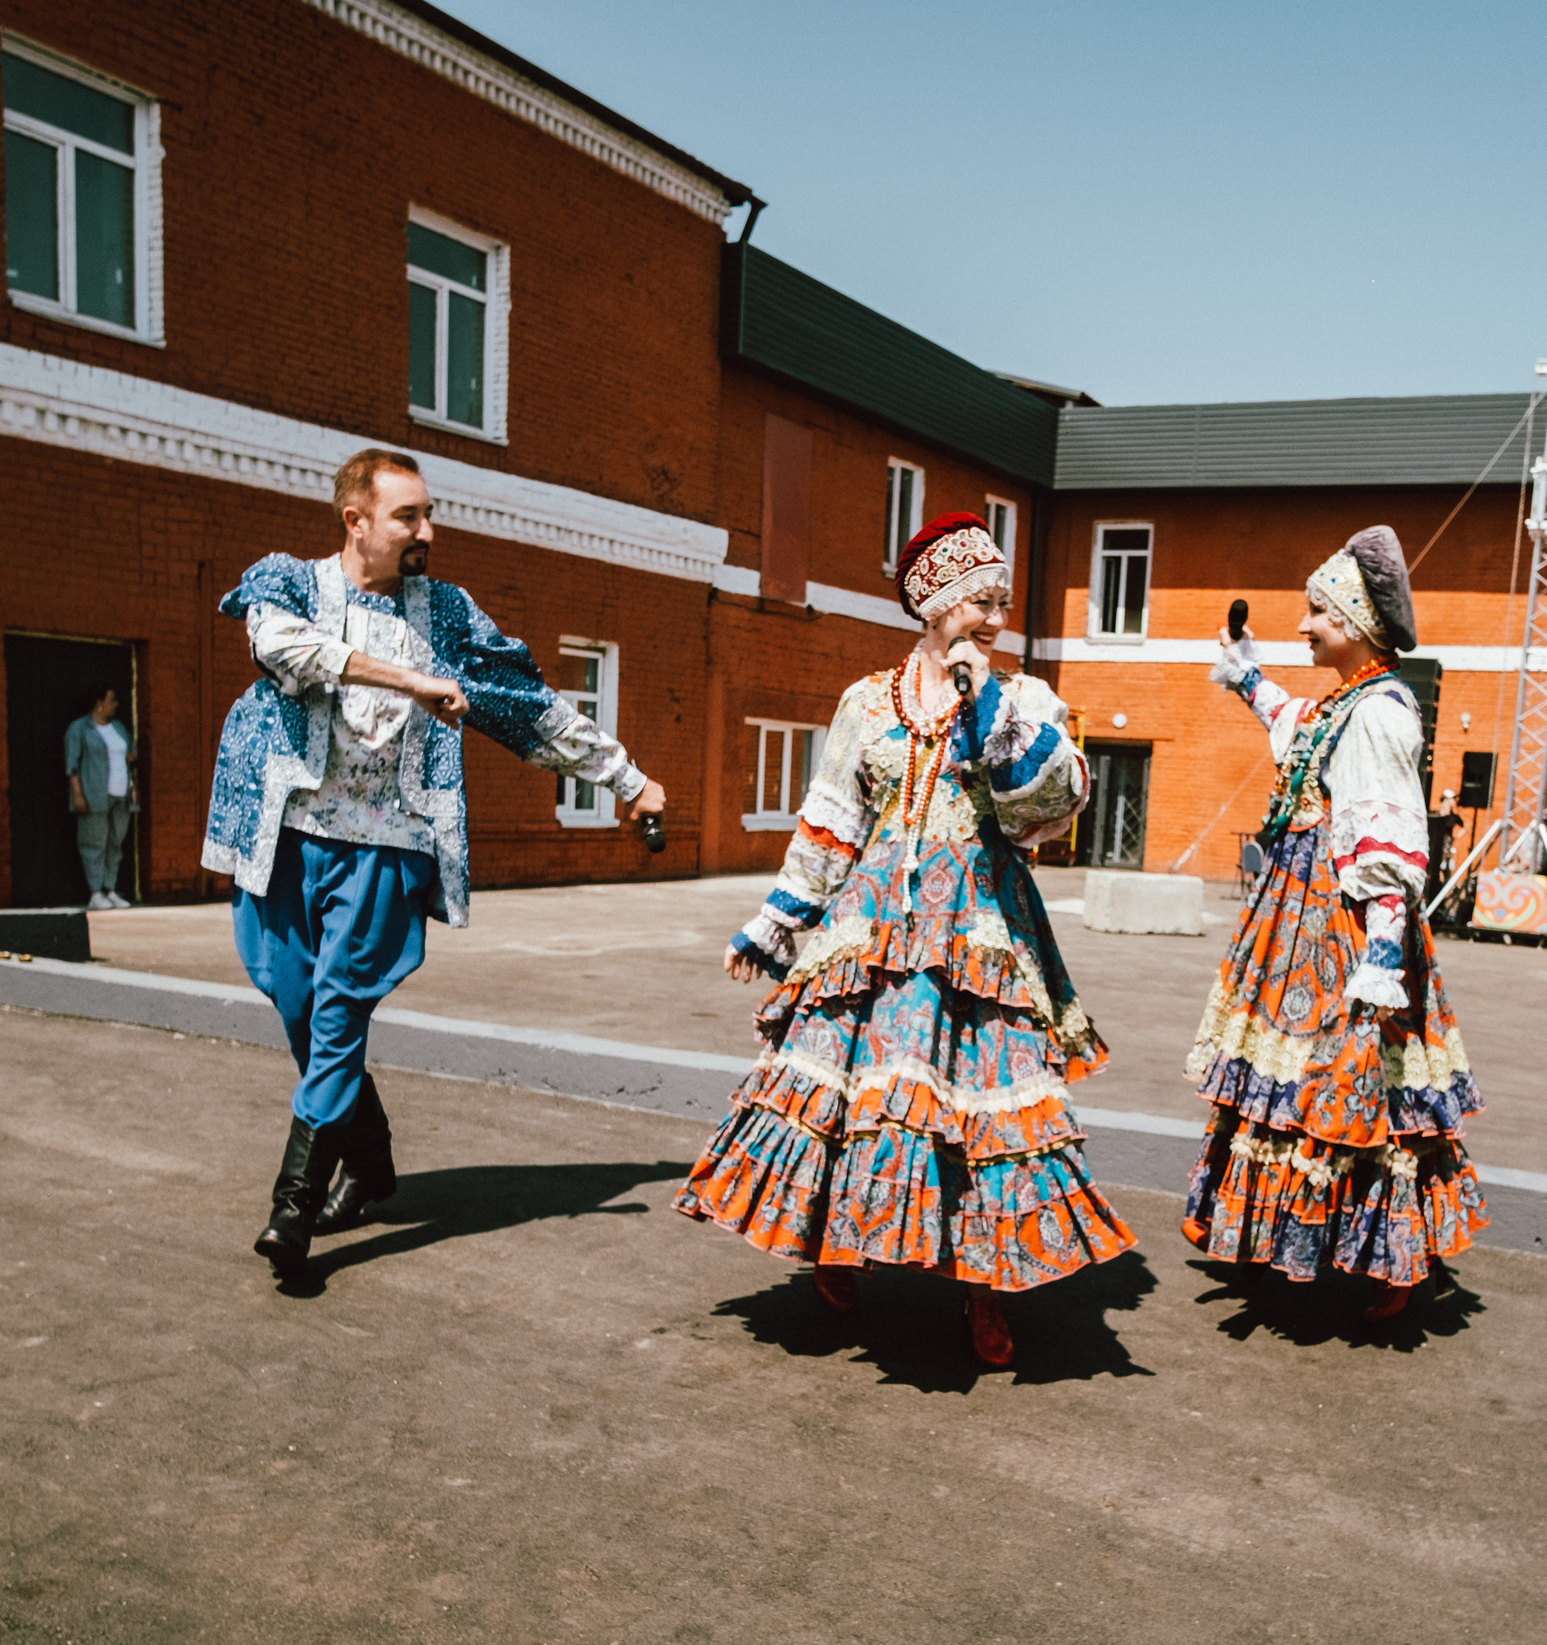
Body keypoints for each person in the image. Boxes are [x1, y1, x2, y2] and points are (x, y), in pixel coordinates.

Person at [674, 512, 1132, 1367]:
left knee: (978, 1115)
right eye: (977, 600)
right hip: (873, 933)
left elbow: (1055, 806)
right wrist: (775, 924)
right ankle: (837, 1248)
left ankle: (984, 1287)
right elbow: (830, 823)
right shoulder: (863, 702)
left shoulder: (1023, 700)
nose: (995, 616)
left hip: (978, 933)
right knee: (859, 1096)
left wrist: (985, 702)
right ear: (933, 602)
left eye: (1001, 599)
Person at [202, 449, 667, 1277]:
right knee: (296, 1000)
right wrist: (415, 680)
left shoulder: (445, 611)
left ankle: (293, 1207)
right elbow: (285, 649)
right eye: (408, 515)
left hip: (386, 840)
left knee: (340, 1012)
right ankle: (373, 1159)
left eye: (429, 512)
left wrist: (627, 779)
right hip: (283, 834)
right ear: (356, 520)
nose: (428, 529)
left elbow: (529, 707)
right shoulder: (289, 583)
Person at [1184, 525, 1485, 1323]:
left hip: (1343, 925)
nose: (1303, 625)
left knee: (1360, 1088)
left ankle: (1389, 1258)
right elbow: (1295, 727)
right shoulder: (1348, 701)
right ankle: (1306, 1242)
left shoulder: (1382, 713)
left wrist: (1380, 960)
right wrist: (1246, 674)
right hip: (1302, 915)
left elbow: (1390, 841)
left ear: (1352, 621)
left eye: (1315, 611)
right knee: (1295, 1082)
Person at [66, 682, 138, 909]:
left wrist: (131, 765)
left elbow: (129, 752)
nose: (115, 704)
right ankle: (96, 893)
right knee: (93, 843)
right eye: (112, 699)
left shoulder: (118, 728)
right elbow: (72, 765)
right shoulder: (80, 729)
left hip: (121, 794)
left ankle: (110, 889)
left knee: (115, 843)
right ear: (99, 703)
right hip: (94, 793)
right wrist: (78, 795)